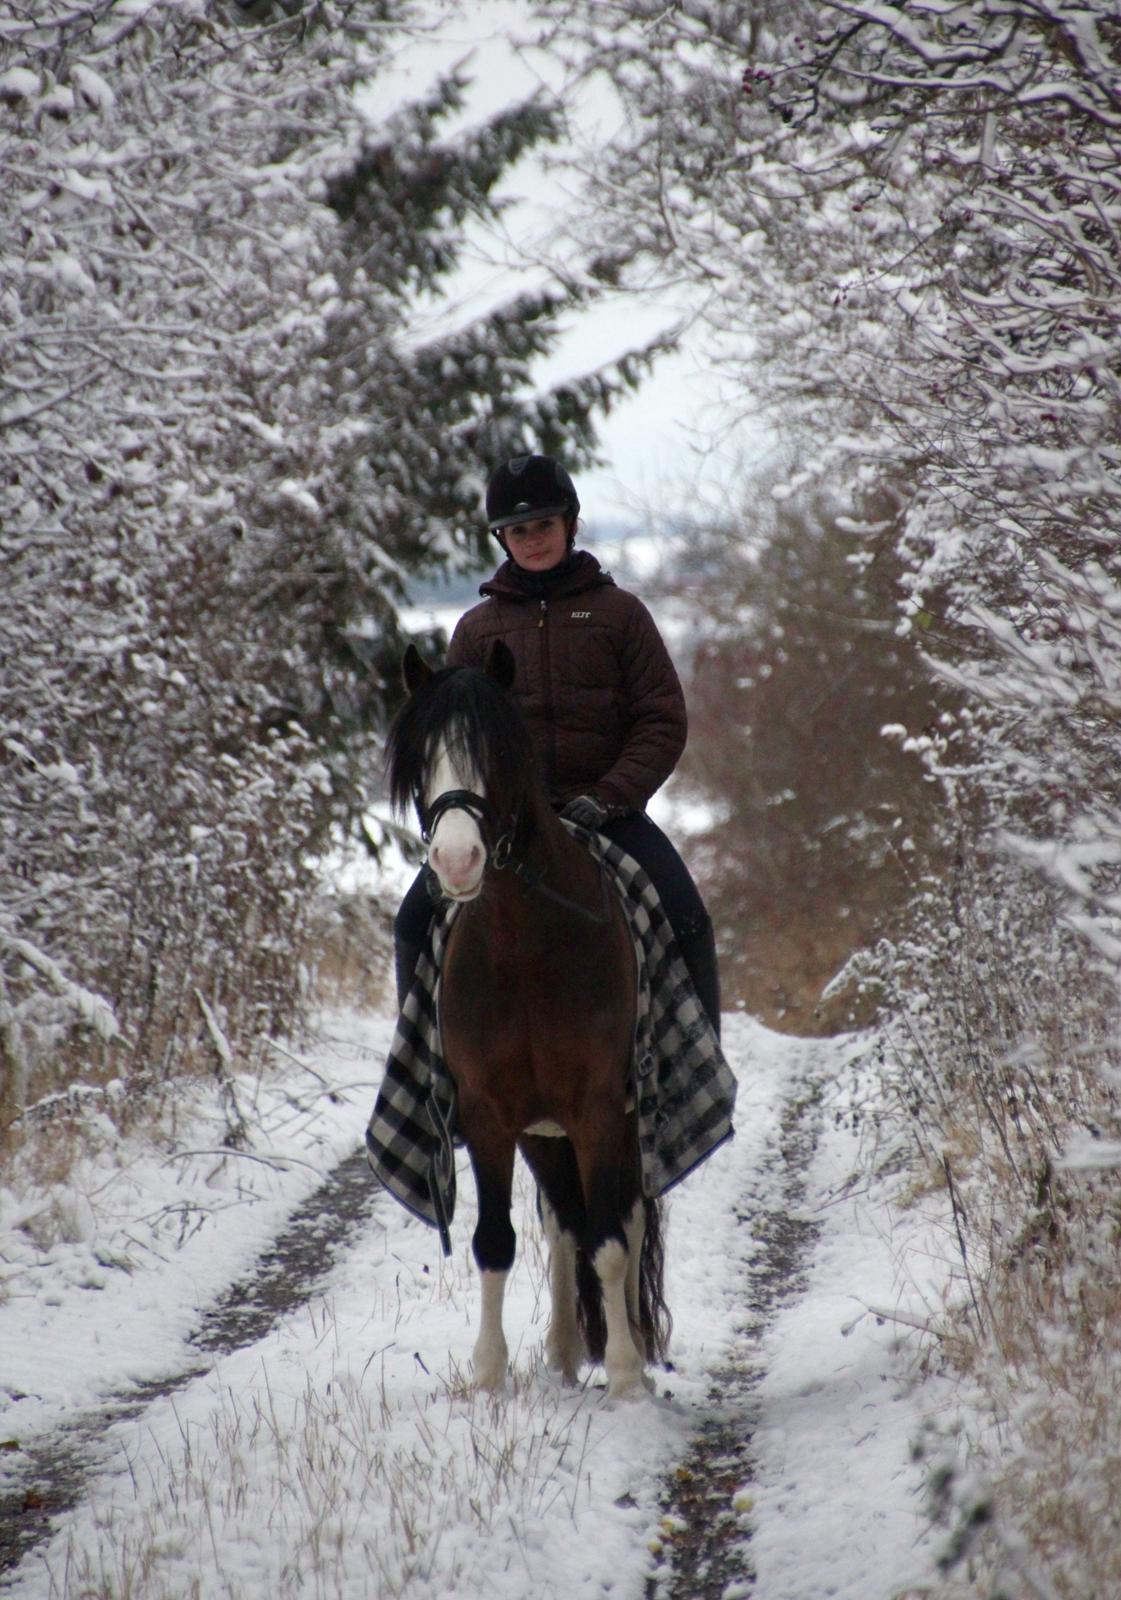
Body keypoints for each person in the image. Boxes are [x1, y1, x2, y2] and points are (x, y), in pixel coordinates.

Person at [392, 452, 721, 1036]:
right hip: (504, 822)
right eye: (518, 530)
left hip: (606, 814)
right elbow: (455, 740)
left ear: (569, 524)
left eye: (543, 525)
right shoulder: (475, 630)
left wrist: (612, 794)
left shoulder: (621, 616)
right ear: (502, 539)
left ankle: (697, 1080)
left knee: (686, 915)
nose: (533, 539)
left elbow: (661, 719)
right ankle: (431, 1092)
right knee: (413, 921)